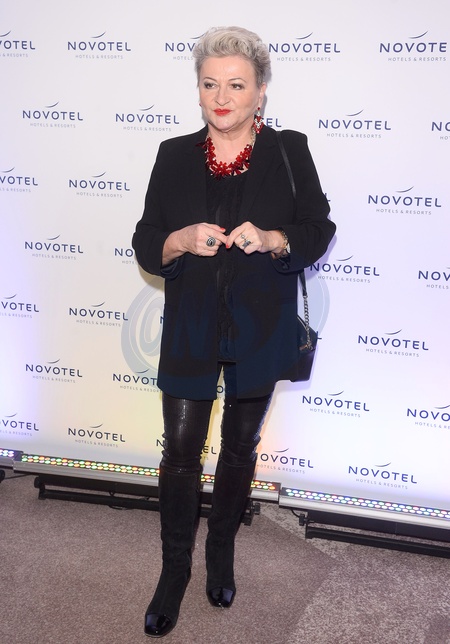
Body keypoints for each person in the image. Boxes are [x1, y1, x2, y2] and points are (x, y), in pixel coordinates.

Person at [132, 25, 336, 638]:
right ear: (197, 89)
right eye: (210, 84)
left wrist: (275, 239)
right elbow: (145, 240)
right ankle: (174, 570)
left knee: (240, 451)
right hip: (191, 326)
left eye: (237, 85)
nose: (221, 97)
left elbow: (319, 227)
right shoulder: (173, 154)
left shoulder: (289, 150)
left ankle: (220, 553)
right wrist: (176, 240)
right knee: (179, 455)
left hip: (260, 326)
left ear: (260, 91)